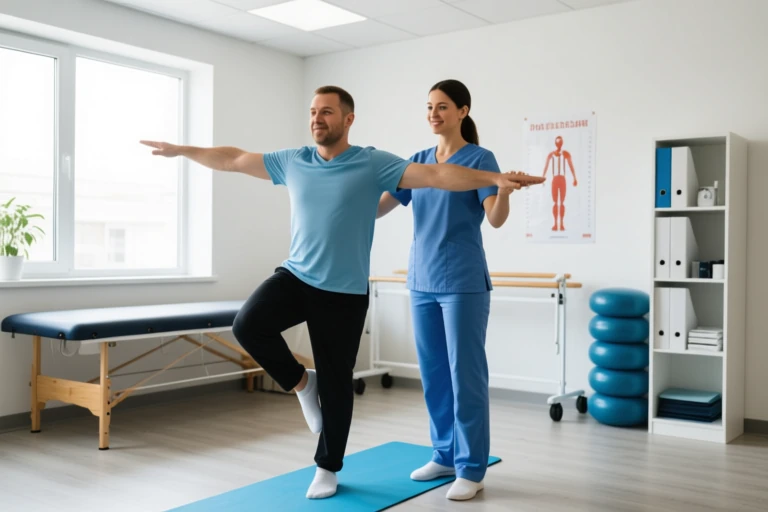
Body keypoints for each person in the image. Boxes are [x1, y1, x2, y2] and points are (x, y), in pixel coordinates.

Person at [140, 85, 535, 500]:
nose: (316, 118)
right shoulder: (296, 160)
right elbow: (235, 158)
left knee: (424, 377)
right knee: (252, 326)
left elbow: (442, 180)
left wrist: (496, 180)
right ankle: (428, 445)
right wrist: (182, 149)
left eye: (325, 112)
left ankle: (446, 467)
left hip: (397, 286)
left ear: (347, 119)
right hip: (332, 276)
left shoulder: (381, 161)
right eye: (312, 111)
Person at [377, 79, 520, 501]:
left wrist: (505, 192)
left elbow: (494, 218)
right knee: (435, 374)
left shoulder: (479, 159)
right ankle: (443, 453)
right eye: (429, 107)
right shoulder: (417, 163)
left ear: (463, 111)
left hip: (462, 281)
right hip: (420, 281)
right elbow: (380, 206)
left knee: (466, 375)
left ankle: (472, 467)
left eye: (442, 106)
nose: (434, 114)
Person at [542, 135, 577, 231]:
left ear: (562, 143)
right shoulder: (551, 155)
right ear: (555, 143)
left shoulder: (565, 154)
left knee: (561, 202)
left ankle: (561, 224)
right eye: (557, 142)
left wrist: (574, 178)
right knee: (555, 202)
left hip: (562, 180)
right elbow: (546, 166)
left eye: (560, 142)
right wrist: (542, 178)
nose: (558, 144)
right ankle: (555, 224)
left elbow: (571, 165)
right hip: (555, 180)